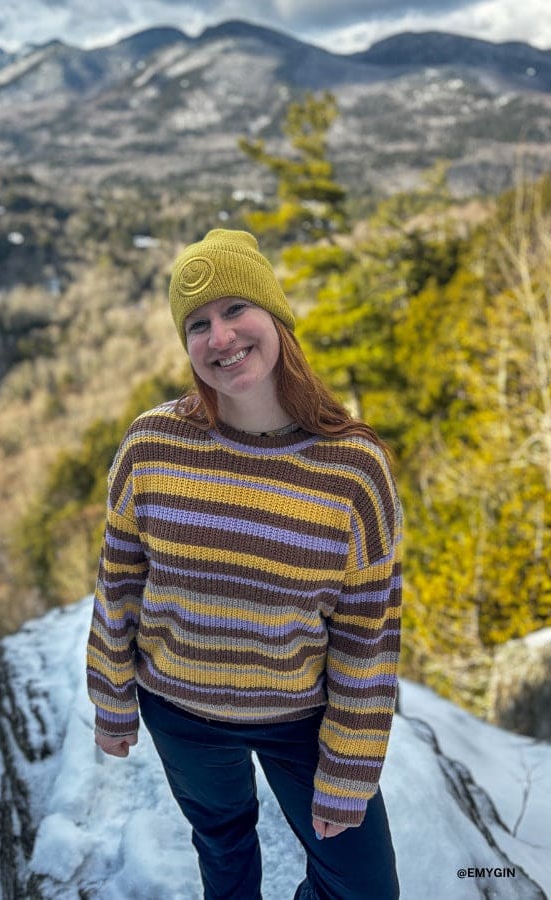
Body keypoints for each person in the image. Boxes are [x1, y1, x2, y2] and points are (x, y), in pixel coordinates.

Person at [86, 228, 402, 900]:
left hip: (301, 720)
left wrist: (349, 767)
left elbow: (367, 633)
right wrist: (111, 698)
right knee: (224, 852)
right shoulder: (151, 445)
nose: (220, 337)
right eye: (197, 324)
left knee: (363, 887)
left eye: (235, 309)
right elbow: (119, 582)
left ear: (275, 315)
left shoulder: (355, 469)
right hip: (180, 712)